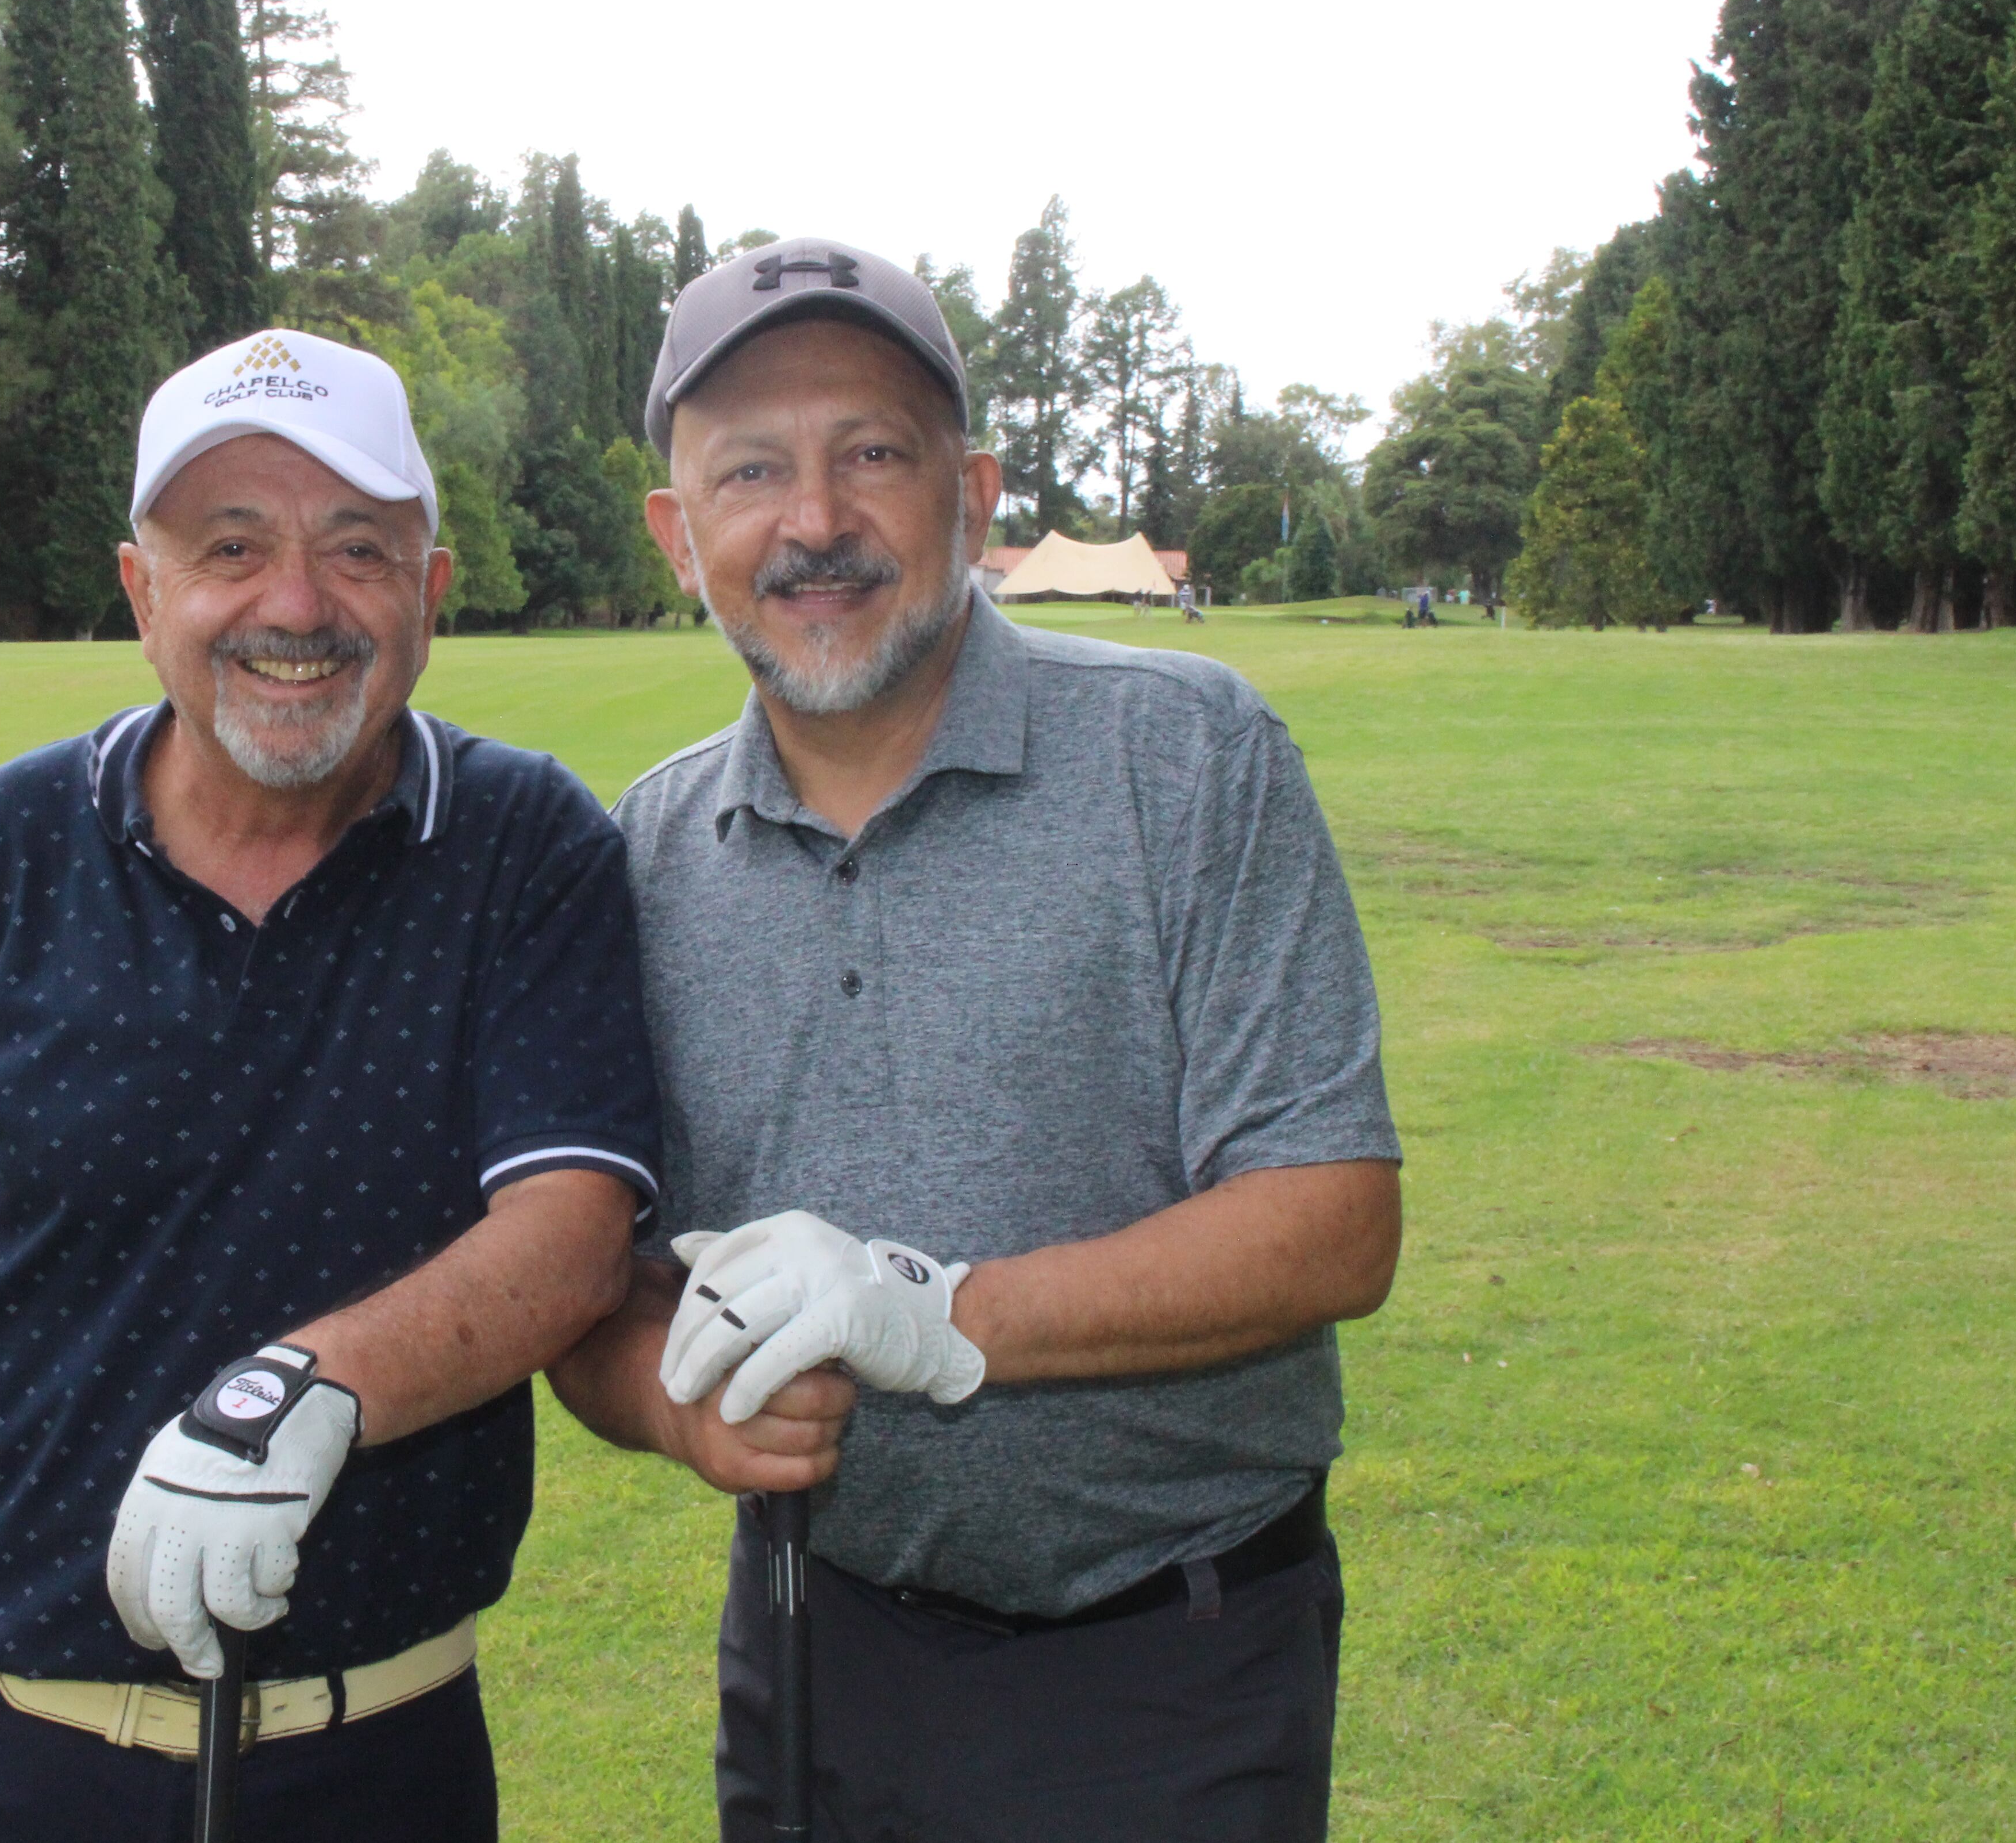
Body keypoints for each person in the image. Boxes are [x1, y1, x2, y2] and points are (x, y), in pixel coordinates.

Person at [548, 240, 1403, 1842]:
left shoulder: (1186, 758)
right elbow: (595, 1278)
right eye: (751, 471)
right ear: (680, 536)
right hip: (814, 1646)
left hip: (1174, 1665)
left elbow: (1332, 1217)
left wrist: (935, 1313)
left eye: (872, 453)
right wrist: (676, 1408)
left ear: (974, 492)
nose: (814, 522)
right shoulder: (645, 853)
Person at [0, 327, 663, 1842]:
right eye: (231, 547)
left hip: (371, 1761)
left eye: (357, 549)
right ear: (144, 592)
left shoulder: (525, 848)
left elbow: (573, 1228)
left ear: (433, 593)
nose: (295, 606)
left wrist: (295, 1394)